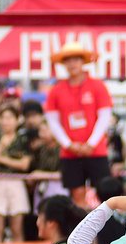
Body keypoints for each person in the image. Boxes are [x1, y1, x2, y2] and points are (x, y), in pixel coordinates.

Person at [44, 43, 114, 207]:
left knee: (105, 193)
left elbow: (105, 117)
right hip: (70, 153)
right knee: (76, 196)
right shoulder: (56, 89)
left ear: (83, 62)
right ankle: (82, 231)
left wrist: (90, 144)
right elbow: (52, 121)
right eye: (67, 60)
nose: (72, 64)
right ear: (63, 64)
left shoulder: (97, 86)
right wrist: (69, 145)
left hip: (96, 151)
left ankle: (105, 232)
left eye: (76, 59)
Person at [0, 105, 33, 244]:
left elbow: (24, 164)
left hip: (16, 182)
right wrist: (1, 146)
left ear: (17, 120)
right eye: (3, 118)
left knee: (16, 227)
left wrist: (2, 159)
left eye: (10, 118)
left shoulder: (23, 139)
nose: (6, 121)